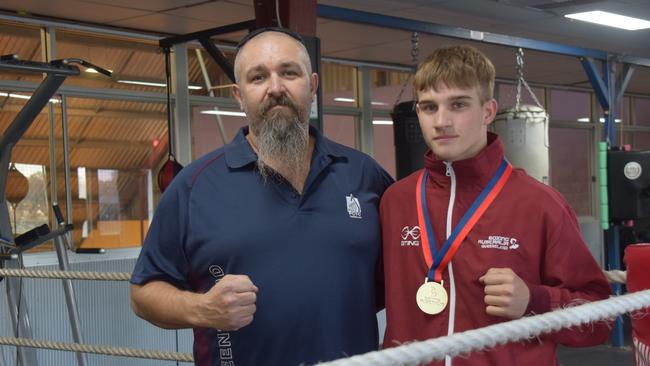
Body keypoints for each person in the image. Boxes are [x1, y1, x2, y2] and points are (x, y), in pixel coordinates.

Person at [130, 28, 393, 366]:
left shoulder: (363, 174)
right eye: (258, 77)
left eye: (288, 72)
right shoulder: (194, 186)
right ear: (239, 96)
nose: (276, 88)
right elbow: (142, 294)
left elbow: (418, 258)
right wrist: (202, 309)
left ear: (312, 85)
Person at [380, 45, 611, 365]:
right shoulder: (396, 200)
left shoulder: (539, 204)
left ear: (488, 111)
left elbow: (600, 322)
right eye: (429, 107)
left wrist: (536, 301)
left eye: (458, 104)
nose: (442, 120)